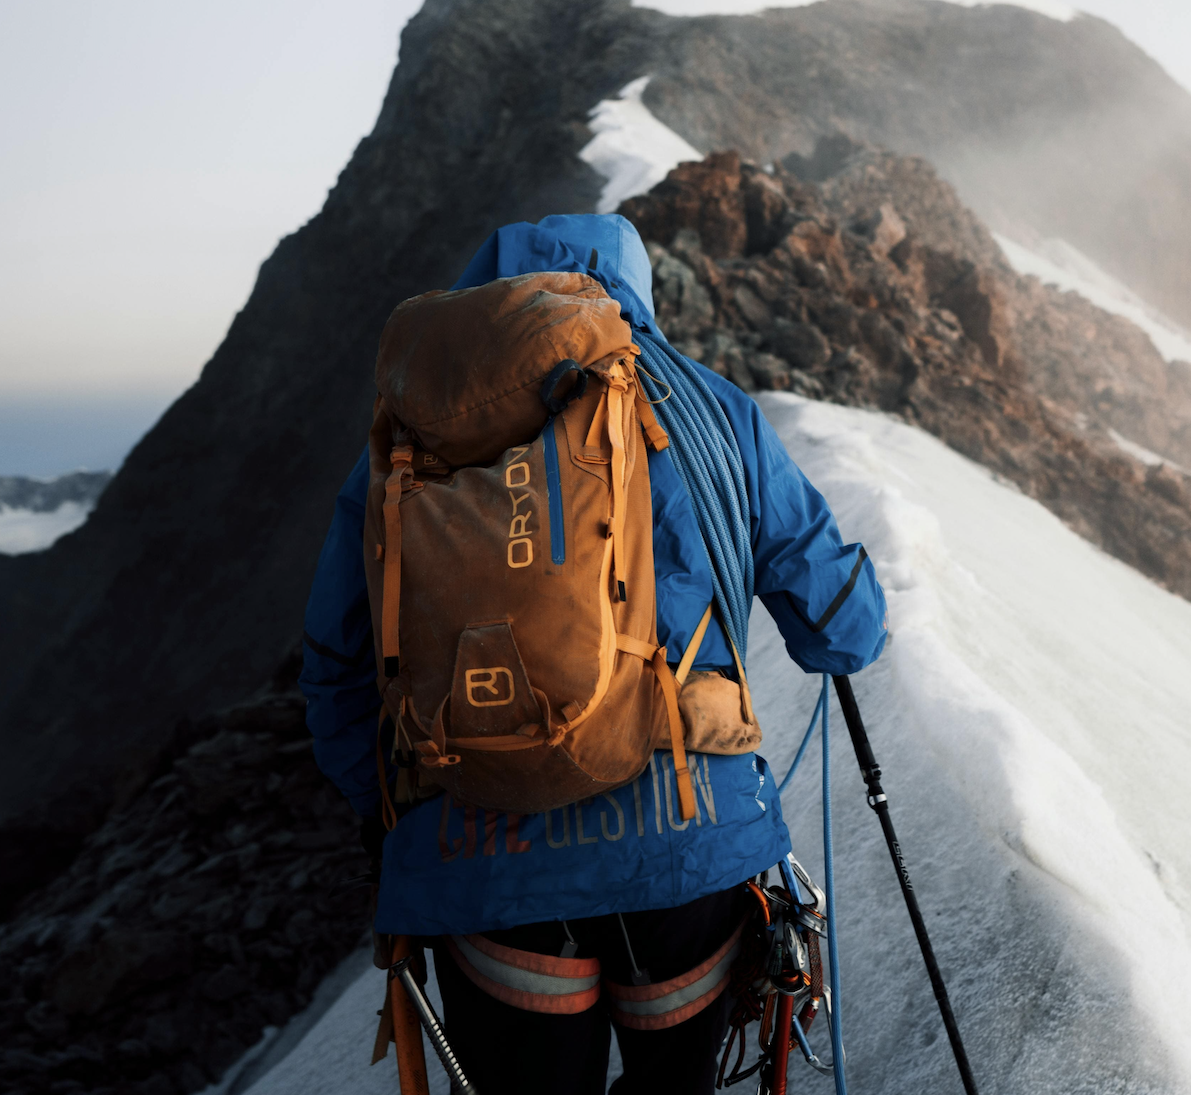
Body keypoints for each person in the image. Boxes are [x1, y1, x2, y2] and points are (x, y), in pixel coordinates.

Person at [300, 212, 886, 1094]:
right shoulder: (709, 407)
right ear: (636, 291)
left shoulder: (414, 435)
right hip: (687, 848)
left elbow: (339, 669)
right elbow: (846, 630)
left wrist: (401, 815)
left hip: (478, 857)